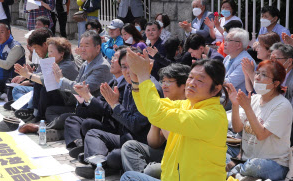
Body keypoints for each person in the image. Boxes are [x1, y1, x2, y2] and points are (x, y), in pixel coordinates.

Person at [121, 48, 229, 180]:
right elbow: (147, 109)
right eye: (190, 77)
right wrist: (136, 79)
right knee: (129, 177)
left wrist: (144, 76)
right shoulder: (187, 104)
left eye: (200, 80)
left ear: (216, 89)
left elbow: (156, 113)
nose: (191, 83)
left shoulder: (212, 116)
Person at [74, 47, 163, 179]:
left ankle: (101, 163)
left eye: (131, 66)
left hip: (140, 144)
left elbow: (135, 125)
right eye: (124, 67)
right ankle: (99, 164)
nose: (127, 71)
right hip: (125, 136)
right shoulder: (129, 85)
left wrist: (115, 105)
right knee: (93, 132)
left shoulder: (151, 88)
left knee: (116, 155)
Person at [121, 63, 190, 179]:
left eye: (169, 82)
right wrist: (155, 122)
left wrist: (159, 116)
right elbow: (154, 143)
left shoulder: (190, 106)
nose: (164, 86)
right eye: (163, 82)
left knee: (150, 170)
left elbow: (177, 143)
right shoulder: (164, 103)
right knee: (129, 146)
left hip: (183, 160)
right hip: (166, 155)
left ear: (184, 85)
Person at [226, 60, 292, 180]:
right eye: (257, 73)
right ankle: (238, 169)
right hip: (246, 158)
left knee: (255, 166)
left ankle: (234, 170)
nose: (257, 77)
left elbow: (261, 134)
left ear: (276, 83)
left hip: (273, 164)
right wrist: (235, 105)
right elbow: (237, 128)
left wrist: (247, 108)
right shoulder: (255, 98)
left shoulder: (283, 105)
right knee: (220, 149)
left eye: (264, 75)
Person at [64, 47, 127, 155]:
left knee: (88, 124)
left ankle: (93, 152)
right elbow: (100, 101)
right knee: (71, 119)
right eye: (112, 57)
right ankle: (79, 144)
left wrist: (88, 97)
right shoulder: (113, 81)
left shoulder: (125, 85)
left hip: (115, 126)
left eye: (116, 58)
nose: (111, 60)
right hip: (101, 117)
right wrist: (85, 100)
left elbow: (110, 110)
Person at [223, 28, 256, 95]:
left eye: (228, 40)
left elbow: (229, 83)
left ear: (238, 45)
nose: (224, 43)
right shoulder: (228, 57)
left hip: (238, 100)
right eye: (225, 40)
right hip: (226, 95)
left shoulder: (245, 61)